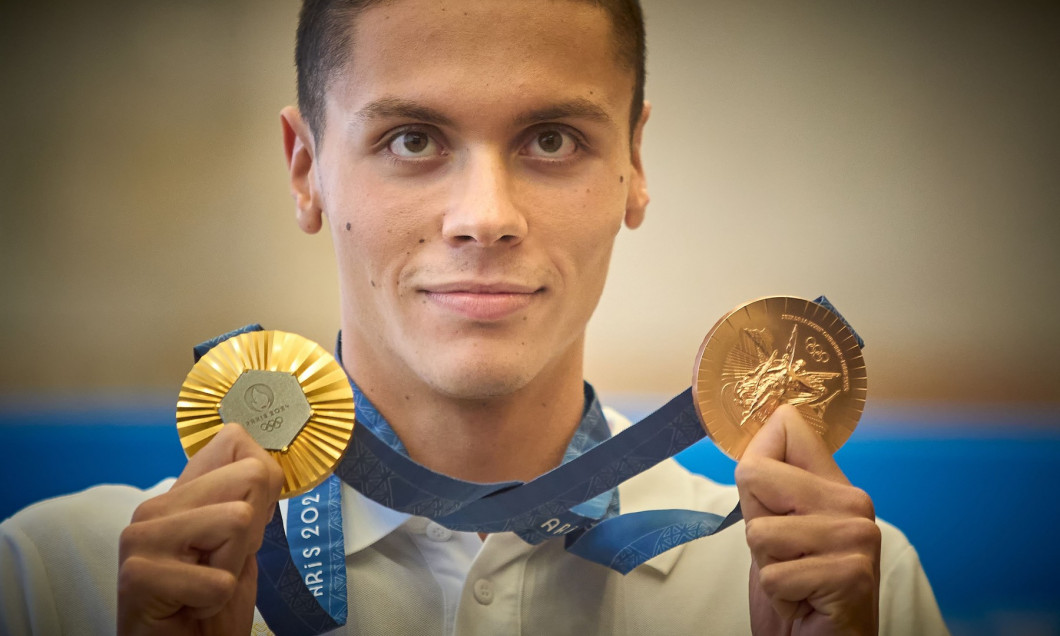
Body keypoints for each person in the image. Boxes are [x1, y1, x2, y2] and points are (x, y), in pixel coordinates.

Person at [0, 1, 949, 634]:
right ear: (306, 169)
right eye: (412, 138)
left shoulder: (841, 584)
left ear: (636, 164)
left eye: (551, 138)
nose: (485, 216)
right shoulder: (55, 581)